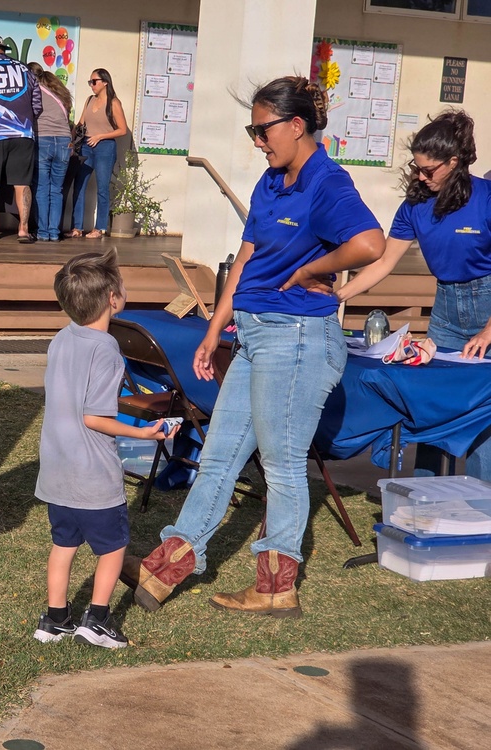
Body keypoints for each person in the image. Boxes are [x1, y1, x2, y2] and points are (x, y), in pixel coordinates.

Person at [121, 76, 385, 618]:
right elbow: (245, 260)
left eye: (262, 130)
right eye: (252, 129)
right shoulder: (271, 182)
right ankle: (166, 567)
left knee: (282, 463)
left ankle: (275, 584)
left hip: (298, 340)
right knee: (218, 455)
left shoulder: (327, 183)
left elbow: (370, 243)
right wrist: (216, 327)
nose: (257, 141)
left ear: (296, 125)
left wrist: (315, 268)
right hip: (256, 334)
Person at [33, 248, 177, 649]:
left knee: (63, 545)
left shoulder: (62, 338)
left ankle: (55, 619)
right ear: (113, 297)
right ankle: (97, 620)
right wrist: (147, 433)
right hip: (92, 476)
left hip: (56, 471)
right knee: (113, 548)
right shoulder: (106, 348)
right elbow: (94, 417)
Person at [337, 110, 491, 480]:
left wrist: (488, 330)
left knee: (481, 414)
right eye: (416, 168)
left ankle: (478, 510)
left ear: (454, 162)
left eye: (429, 170)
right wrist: (337, 296)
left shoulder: (486, 199)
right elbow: (384, 262)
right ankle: (423, 503)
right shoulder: (415, 206)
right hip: (446, 309)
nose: (420, 177)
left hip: (487, 303)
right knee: (433, 406)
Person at [0, 34, 42, 243]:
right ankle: (23, 229)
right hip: (24, 134)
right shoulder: (25, 70)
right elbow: (37, 104)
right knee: (22, 183)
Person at [67, 69, 128, 239]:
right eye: (90, 82)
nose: (91, 85)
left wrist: (101, 136)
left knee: (102, 188)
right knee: (79, 185)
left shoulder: (114, 103)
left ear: (105, 82)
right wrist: (71, 140)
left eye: (94, 81)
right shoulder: (89, 100)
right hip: (86, 145)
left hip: (105, 147)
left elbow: (122, 130)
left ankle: (99, 228)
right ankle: (77, 227)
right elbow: (80, 123)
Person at [27, 62, 74, 243]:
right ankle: (54, 232)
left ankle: (42, 232)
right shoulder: (59, 93)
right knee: (56, 190)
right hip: (63, 141)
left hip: (43, 139)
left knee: (41, 188)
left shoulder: (34, 91)